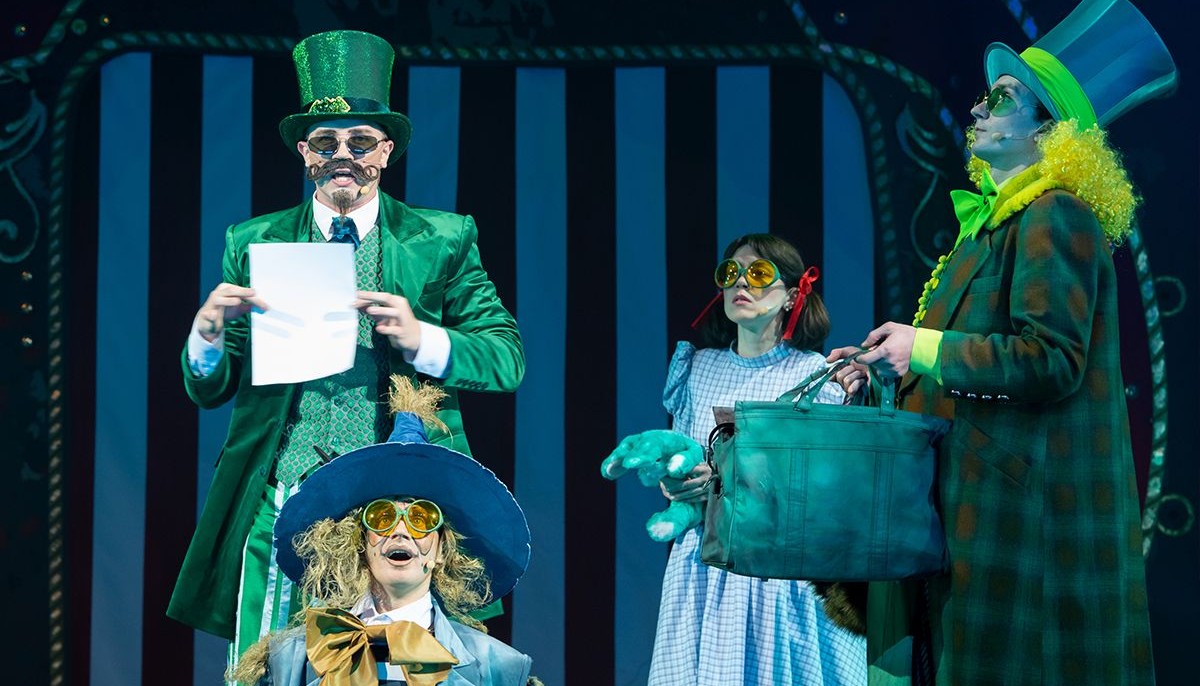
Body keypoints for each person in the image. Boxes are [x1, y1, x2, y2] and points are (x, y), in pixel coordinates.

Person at [828, 0, 1175, 682]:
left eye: (1004, 98)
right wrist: (888, 370)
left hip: (1019, 526)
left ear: (1051, 132)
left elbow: (1050, 360)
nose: (978, 108)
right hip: (962, 514)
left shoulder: (1056, 217)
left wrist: (922, 348)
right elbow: (965, 368)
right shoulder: (991, 229)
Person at [167, 30, 524, 668]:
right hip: (283, 494)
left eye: (360, 142)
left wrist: (423, 338)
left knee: (394, 668)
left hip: (395, 505)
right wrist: (209, 335)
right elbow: (211, 388)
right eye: (326, 142)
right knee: (267, 666)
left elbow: (506, 359)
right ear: (304, 152)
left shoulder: (440, 238)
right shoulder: (255, 240)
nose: (343, 157)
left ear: (385, 151)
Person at [649, 233, 867, 685]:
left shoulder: (816, 375)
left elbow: (826, 492)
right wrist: (676, 485)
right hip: (704, 569)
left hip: (778, 571)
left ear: (791, 295)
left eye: (759, 273)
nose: (741, 283)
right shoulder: (697, 368)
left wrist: (727, 481)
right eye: (730, 272)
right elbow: (679, 460)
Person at [229, 377, 538, 685]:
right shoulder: (289, 658)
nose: (400, 531)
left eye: (421, 518)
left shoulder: (499, 668)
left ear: (443, 550)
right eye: (382, 516)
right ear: (360, 543)